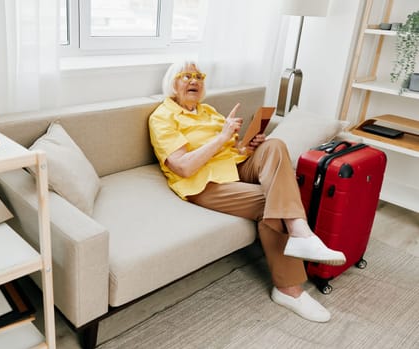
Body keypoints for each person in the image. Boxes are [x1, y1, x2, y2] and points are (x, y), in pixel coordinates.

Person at [148, 60, 346, 323]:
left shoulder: (208, 111)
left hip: (236, 167)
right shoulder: (162, 117)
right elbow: (184, 167)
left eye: (198, 75)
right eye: (187, 76)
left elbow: (235, 151)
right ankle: (289, 289)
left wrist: (249, 146)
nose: (194, 80)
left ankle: (301, 231)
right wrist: (221, 137)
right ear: (173, 84)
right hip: (206, 184)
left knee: (274, 144)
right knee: (273, 202)